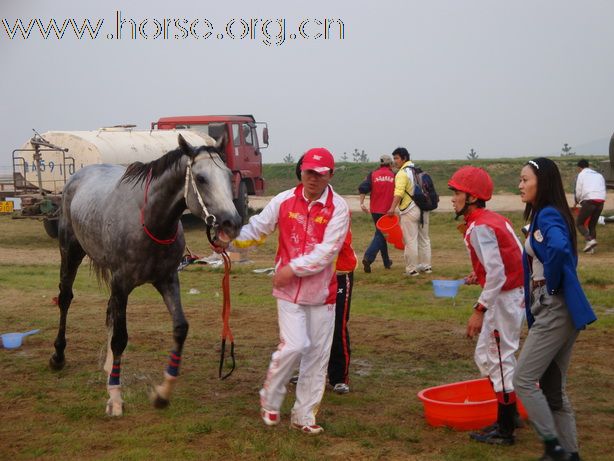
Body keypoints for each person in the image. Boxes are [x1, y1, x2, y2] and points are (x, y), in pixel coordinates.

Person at [232, 147, 350, 435]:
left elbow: (327, 252)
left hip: (322, 294)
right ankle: (270, 398)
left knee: (316, 357)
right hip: (288, 293)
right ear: (301, 171)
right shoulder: (284, 200)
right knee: (294, 346)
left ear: (330, 175)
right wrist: (230, 239)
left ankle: (303, 416)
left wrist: (292, 268)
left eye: (320, 174)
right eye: (309, 172)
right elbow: (258, 228)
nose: (313, 178)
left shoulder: (339, 207)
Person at [515, 157, 597, 461]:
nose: (520, 185)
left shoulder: (547, 215)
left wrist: (549, 287)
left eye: (525, 180)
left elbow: (561, 250)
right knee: (552, 389)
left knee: (522, 379)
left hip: (554, 307)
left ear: (542, 182)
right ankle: (570, 453)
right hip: (557, 308)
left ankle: (553, 447)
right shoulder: (546, 214)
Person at [447, 166, 525, 446]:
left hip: (505, 299)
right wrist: (477, 275)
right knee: (486, 357)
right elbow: (507, 259)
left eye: (456, 192)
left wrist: (478, 310)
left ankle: (505, 430)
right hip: (510, 295)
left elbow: (499, 274)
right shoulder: (491, 219)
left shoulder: (480, 227)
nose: (452, 198)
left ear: (470, 197)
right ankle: (510, 415)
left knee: (500, 360)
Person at [386, 147, 432, 276]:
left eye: (396, 158)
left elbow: (399, 193)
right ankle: (426, 267)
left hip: (409, 210)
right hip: (424, 209)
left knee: (410, 240)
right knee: (424, 239)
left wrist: (391, 208)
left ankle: (411, 269)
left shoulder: (402, 173)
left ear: (404, 158)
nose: (395, 161)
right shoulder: (418, 170)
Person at [358, 154, 395, 273]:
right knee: (381, 235)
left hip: (375, 210)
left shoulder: (373, 174)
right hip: (388, 211)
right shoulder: (394, 175)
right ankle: (368, 258)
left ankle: (386, 262)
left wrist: (362, 203)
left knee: (382, 234)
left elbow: (363, 188)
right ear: (390, 164)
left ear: (380, 164)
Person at [574, 159, 606, 253]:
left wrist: (578, 200)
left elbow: (578, 190)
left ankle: (590, 240)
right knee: (592, 225)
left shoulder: (581, 174)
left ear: (579, 168)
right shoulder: (599, 175)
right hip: (601, 201)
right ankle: (591, 249)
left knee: (579, 223)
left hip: (589, 200)